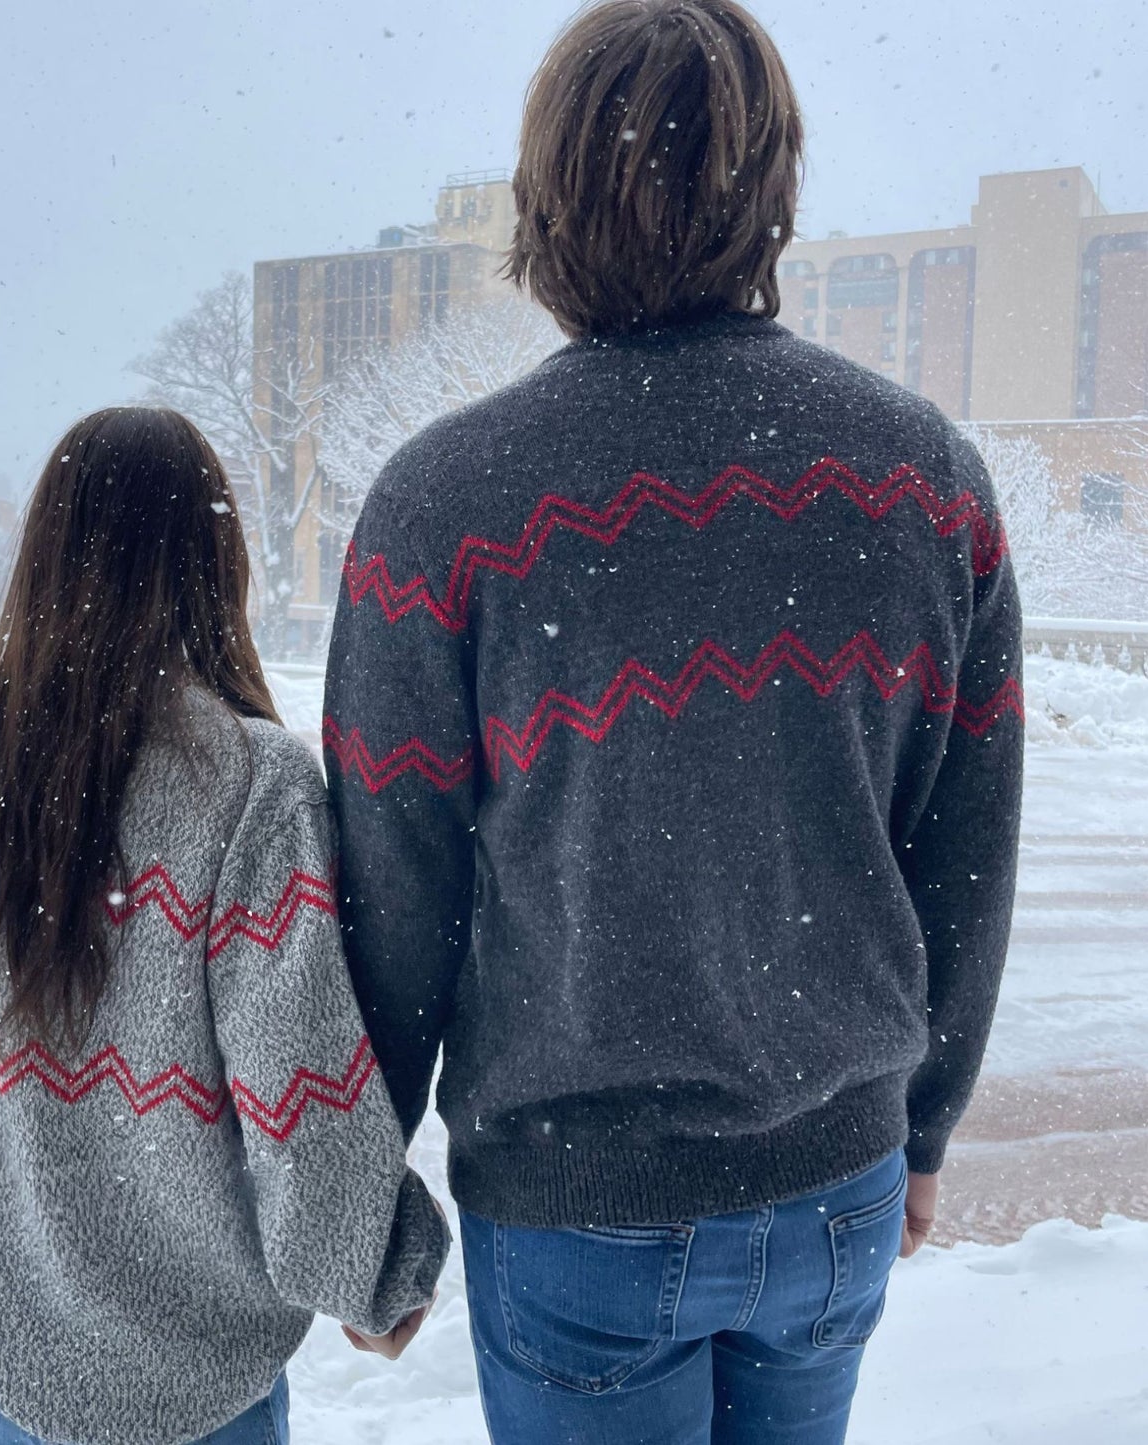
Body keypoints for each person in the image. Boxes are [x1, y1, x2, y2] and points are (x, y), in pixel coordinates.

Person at [323, 3, 1023, 1441]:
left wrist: (356, 1183)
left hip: (579, 1203)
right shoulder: (921, 481)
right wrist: (924, 1120)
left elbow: (396, 886)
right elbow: (967, 842)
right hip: (838, 1178)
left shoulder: (447, 501)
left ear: (548, 196)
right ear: (773, 187)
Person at [0, 407, 448, 1445]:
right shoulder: (248, 780)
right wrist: (378, 1267)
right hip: (195, 1389)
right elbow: (297, 1080)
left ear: (43, 554)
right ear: (213, 557)